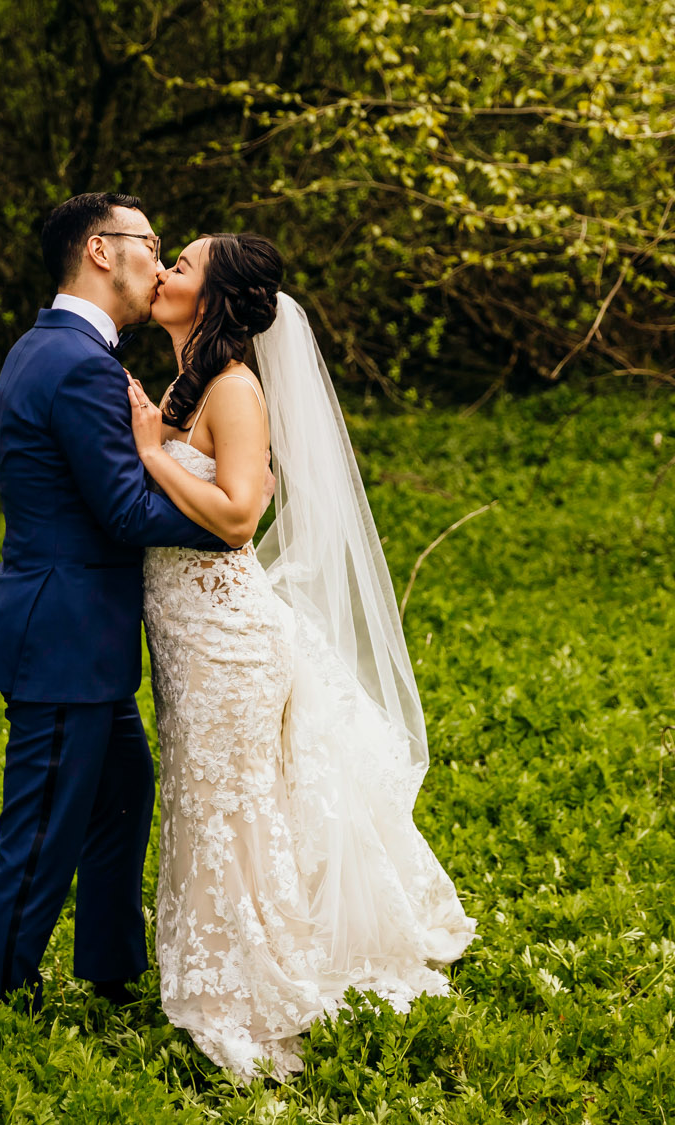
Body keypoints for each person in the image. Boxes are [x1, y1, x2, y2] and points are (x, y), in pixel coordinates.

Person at [125, 232, 475, 1081]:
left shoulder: (235, 388)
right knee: (208, 803)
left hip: (230, 640)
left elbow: (241, 515)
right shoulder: (188, 381)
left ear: (211, 298)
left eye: (184, 264)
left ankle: (258, 984)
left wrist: (146, 452)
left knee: (231, 808)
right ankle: (213, 964)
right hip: (187, 633)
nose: (165, 269)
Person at [0, 193, 236, 1007]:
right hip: (64, 637)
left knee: (123, 789)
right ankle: (0, 989)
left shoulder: (44, 348)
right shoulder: (78, 362)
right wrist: (227, 519)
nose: (158, 262)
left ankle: (113, 973)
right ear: (98, 250)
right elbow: (123, 509)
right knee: (45, 822)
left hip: (77, 635)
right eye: (149, 244)